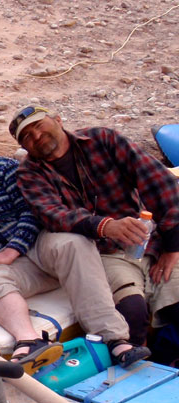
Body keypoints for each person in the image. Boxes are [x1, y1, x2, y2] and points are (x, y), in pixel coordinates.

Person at [0, 124, 147, 370]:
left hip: (38, 246)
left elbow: (31, 213)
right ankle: (29, 341)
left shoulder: (4, 169)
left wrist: (10, 251)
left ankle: (114, 339)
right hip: (10, 267)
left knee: (74, 242)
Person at [12, 105, 179, 354]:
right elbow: (55, 216)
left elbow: (159, 183)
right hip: (103, 253)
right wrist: (105, 227)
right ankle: (141, 370)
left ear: (58, 120)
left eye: (38, 126)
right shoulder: (29, 174)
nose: (36, 136)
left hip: (149, 240)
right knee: (132, 312)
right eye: (26, 136)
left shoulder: (103, 140)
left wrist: (172, 246)